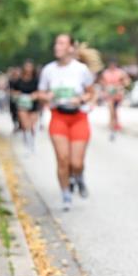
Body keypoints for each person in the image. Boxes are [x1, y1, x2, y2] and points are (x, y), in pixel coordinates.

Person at [36, 34, 96, 211]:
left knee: (76, 163)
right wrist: (47, 96)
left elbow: (91, 93)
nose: (57, 46)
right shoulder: (48, 70)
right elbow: (40, 93)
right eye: (56, 43)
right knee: (63, 159)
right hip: (58, 117)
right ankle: (66, 195)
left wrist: (81, 99)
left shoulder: (81, 69)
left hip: (78, 118)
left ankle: (78, 176)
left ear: (70, 48)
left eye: (61, 43)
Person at [10, 60, 40, 152]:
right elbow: (12, 91)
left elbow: (41, 91)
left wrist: (35, 95)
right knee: (26, 125)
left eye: (30, 67)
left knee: (32, 125)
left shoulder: (37, 80)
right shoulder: (18, 81)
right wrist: (17, 94)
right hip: (22, 105)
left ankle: (32, 143)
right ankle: (27, 144)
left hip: (33, 105)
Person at [99, 59, 131, 139]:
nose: (112, 66)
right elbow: (102, 82)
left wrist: (121, 85)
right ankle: (112, 126)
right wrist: (105, 87)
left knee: (115, 110)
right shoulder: (105, 73)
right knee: (111, 109)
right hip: (109, 94)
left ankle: (115, 123)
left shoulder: (120, 72)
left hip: (118, 94)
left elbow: (127, 81)